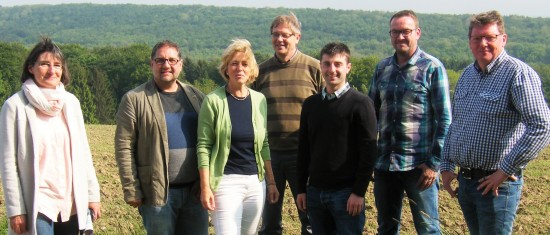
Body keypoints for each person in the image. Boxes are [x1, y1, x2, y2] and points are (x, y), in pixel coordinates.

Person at [441, 10, 550, 235]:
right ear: (470, 41)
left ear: (503, 39)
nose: (483, 43)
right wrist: (447, 165)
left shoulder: (518, 74)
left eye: (489, 37)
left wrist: (505, 170)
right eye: (477, 38)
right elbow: (455, 123)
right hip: (467, 182)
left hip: (497, 186)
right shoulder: (466, 75)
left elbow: (541, 126)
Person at [0, 36, 101, 235]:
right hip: (38, 200)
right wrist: (15, 209)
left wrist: (92, 194)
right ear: (31, 67)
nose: (52, 71)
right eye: (45, 64)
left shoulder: (71, 103)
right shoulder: (15, 106)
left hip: (71, 199)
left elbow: (83, 154)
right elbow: (8, 162)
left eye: (57, 65)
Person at [368, 10, 451, 235]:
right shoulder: (382, 68)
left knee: (428, 228)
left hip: (419, 166)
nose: (400, 37)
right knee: (386, 227)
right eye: (395, 32)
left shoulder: (432, 68)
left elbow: (445, 119)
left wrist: (433, 164)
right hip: (385, 165)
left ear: (417, 33)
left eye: (405, 32)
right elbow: (370, 115)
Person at [115, 40, 208, 234]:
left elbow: (209, 141)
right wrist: (131, 188)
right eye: (160, 60)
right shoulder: (135, 99)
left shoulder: (196, 96)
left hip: (195, 193)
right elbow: (124, 146)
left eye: (172, 60)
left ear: (180, 64)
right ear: (151, 64)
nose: (166, 65)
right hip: (157, 194)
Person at [197, 39, 279, 235]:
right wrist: (205, 186)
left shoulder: (259, 100)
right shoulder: (213, 101)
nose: (239, 68)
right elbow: (203, 146)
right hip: (225, 182)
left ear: (251, 69)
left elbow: (264, 143)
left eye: (244, 64)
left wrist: (271, 182)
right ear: (226, 69)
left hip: (255, 183)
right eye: (234, 63)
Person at [252, 12, 323, 235]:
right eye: (275, 34)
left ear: (297, 37)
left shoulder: (315, 68)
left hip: (304, 156)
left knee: (310, 219)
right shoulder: (259, 72)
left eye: (285, 35)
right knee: (270, 222)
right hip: (269, 157)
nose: (280, 39)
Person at [296, 42, 378, 234]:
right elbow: (303, 149)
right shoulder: (311, 104)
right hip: (315, 192)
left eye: (338, 64)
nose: (332, 69)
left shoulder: (361, 104)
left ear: (348, 67)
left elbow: (369, 151)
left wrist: (358, 192)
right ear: (321, 66)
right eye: (326, 64)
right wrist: (301, 189)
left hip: (346, 194)